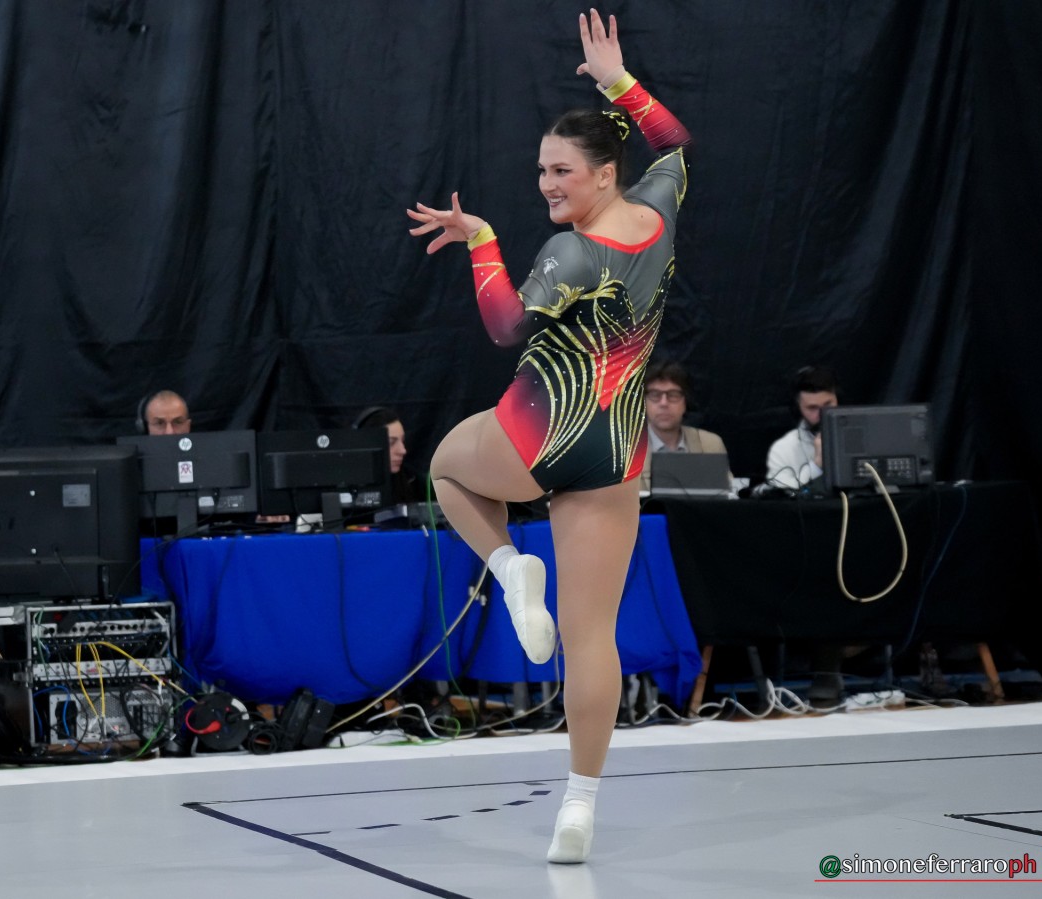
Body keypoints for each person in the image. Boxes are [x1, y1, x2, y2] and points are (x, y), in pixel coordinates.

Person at [406, 10, 690, 864]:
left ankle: (507, 569)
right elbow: (673, 142)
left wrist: (483, 239)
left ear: (604, 173)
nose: (546, 184)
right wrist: (618, 80)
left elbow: (504, 326)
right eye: (540, 170)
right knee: (590, 634)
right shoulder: (660, 207)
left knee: (445, 469)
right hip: (617, 452)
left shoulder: (572, 254)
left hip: (538, 434)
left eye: (561, 170)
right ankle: (580, 805)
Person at [635, 359, 729, 494]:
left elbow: (727, 497)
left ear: (686, 402)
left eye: (673, 395)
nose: (664, 403)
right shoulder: (624, 450)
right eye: (655, 395)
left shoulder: (710, 444)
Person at [764, 366, 838, 489]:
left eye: (828, 404)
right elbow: (777, 494)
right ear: (798, 408)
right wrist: (815, 467)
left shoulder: (862, 437)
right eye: (812, 408)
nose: (822, 414)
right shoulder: (783, 449)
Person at [353, 406, 423, 505]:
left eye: (402, 441)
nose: (403, 451)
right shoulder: (349, 489)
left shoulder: (412, 481)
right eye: (391, 443)